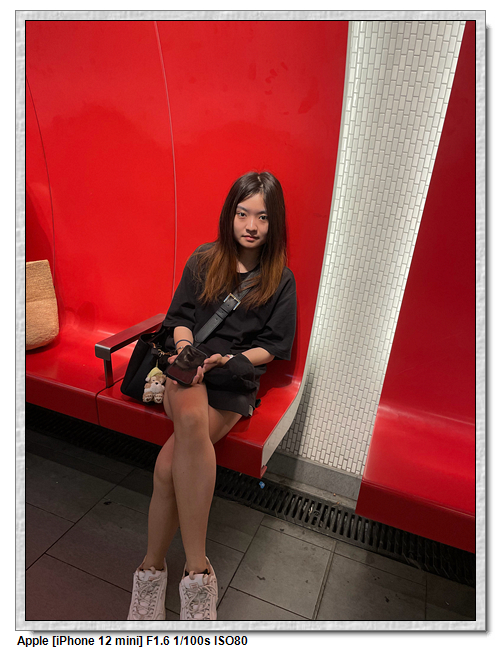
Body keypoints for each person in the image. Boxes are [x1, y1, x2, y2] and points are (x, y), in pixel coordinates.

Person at [127, 171, 296, 621]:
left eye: (262, 217)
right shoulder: (204, 259)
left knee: (168, 467)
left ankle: (151, 571)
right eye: (243, 213)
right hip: (187, 372)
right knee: (191, 416)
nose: (251, 225)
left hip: (233, 380)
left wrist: (230, 360)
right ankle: (198, 572)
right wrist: (187, 349)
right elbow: (179, 318)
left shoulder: (280, 280)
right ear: (230, 215)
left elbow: (272, 347)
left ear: (274, 222)